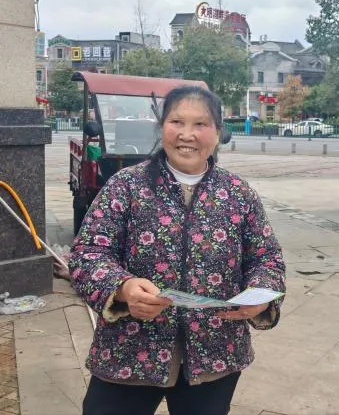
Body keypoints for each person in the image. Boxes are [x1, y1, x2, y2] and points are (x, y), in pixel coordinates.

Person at [69, 86, 286, 415]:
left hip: (216, 351)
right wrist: (123, 288)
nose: (187, 134)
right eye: (176, 122)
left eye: (201, 124)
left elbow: (267, 259)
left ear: (218, 133)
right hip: (129, 350)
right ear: (161, 127)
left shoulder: (239, 194)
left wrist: (261, 296)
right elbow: (87, 254)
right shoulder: (126, 186)